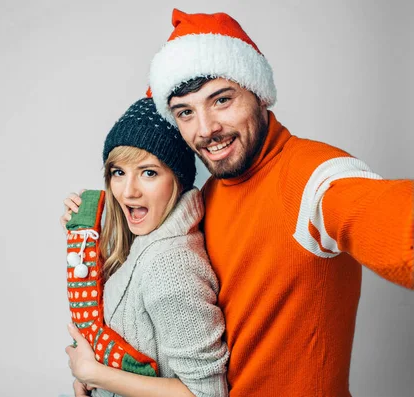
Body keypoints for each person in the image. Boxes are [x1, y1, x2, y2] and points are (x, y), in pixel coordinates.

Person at [142, 9, 414, 396]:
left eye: (221, 100)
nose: (205, 129)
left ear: (258, 93)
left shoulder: (315, 177)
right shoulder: (203, 200)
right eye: (185, 112)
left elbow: (388, 216)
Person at [60, 97, 230, 397]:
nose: (129, 191)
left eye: (149, 172)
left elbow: (207, 394)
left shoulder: (170, 265)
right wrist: (84, 240)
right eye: (118, 172)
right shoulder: (147, 243)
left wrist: (94, 373)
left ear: (176, 179)